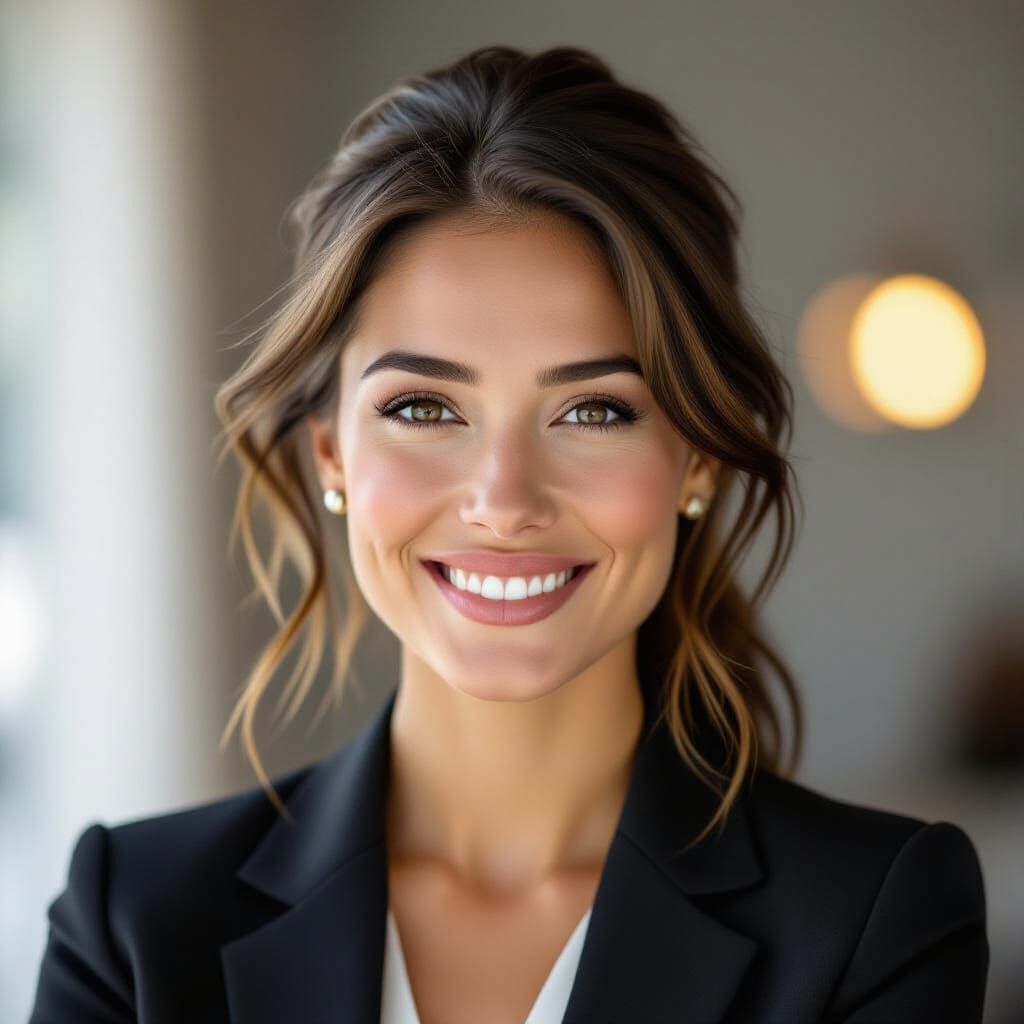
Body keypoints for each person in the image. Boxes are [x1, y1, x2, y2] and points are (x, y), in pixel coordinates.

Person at [29, 44, 988, 1023]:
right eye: (424, 407)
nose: (503, 497)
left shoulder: (877, 920)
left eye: (593, 411)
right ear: (329, 456)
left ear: (696, 457)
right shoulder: (132, 920)